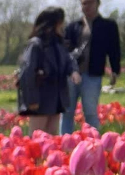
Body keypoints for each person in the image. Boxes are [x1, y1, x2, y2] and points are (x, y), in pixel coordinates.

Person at [61, 0, 122, 133]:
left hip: (93, 75)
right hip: (71, 75)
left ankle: (94, 146)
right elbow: (65, 50)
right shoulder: (73, 26)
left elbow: (114, 49)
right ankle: (64, 144)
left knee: (90, 112)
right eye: (84, 3)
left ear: (98, 3)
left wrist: (115, 70)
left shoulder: (108, 25)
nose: (86, 6)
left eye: (90, 2)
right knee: (67, 112)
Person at [17, 7, 79, 135]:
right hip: (40, 98)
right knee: (37, 135)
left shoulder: (59, 44)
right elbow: (27, 73)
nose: (63, 25)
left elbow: (69, 60)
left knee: (52, 136)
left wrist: (74, 71)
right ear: (54, 23)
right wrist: (32, 100)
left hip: (56, 98)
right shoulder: (36, 44)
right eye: (61, 22)